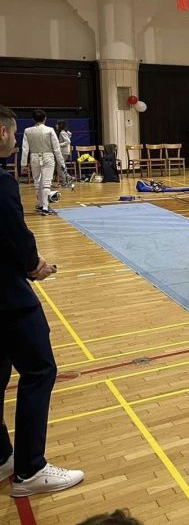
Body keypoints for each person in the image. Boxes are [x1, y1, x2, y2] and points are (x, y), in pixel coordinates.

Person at [0, 105, 85, 497]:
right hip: (8, 296)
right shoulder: (2, 182)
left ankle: (2, 456)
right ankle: (30, 468)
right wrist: (35, 265)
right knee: (39, 371)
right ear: (3, 133)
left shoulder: (19, 155)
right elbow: (14, 234)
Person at [21, 110, 65, 216]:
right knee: (46, 182)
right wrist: (62, 163)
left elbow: (25, 149)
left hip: (34, 157)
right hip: (48, 157)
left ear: (33, 119)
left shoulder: (27, 131)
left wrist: (23, 164)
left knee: (37, 181)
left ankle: (41, 204)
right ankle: (45, 207)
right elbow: (56, 148)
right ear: (45, 118)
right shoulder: (50, 130)